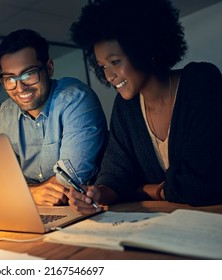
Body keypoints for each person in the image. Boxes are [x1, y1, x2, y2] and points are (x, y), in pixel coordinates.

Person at [67, 0, 222, 213]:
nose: (109, 76)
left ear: (143, 49)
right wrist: (97, 194)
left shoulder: (201, 82)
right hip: (171, 222)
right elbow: (116, 174)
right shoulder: (126, 106)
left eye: (115, 62)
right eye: (103, 66)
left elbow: (202, 184)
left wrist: (147, 190)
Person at [0, 29, 107, 206]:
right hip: (31, 210)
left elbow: (70, 180)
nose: (20, 87)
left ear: (49, 68)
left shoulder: (76, 98)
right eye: (10, 79)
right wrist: (32, 194)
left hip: (84, 208)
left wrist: (21, 193)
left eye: (28, 74)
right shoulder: (6, 112)